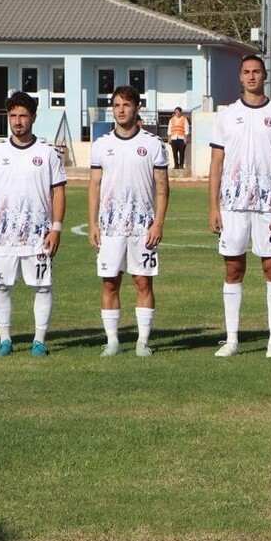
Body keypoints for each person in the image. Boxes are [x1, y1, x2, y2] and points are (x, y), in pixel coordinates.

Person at [209, 55, 271, 358]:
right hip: (232, 206)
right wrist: (213, 207)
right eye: (246, 72)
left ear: (264, 75)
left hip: (269, 206)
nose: (251, 77)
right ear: (240, 77)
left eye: (256, 72)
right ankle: (232, 339)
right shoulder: (226, 115)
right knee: (233, 269)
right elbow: (216, 163)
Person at [0, 91, 66, 357]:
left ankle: (39, 340)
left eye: (23, 116)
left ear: (33, 118)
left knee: (42, 285)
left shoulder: (48, 153)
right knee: (1, 285)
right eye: (13, 115)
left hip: (38, 235)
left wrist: (56, 228)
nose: (17, 121)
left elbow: (59, 192)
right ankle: (5, 339)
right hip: (4, 235)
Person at [89, 85, 170, 357]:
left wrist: (158, 223)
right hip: (110, 228)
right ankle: (112, 340)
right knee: (110, 282)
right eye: (116, 105)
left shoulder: (152, 145)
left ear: (136, 108)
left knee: (143, 282)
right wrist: (92, 223)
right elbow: (94, 186)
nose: (120, 110)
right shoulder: (102, 145)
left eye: (125, 105)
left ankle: (142, 342)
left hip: (142, 227)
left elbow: (162, 187)